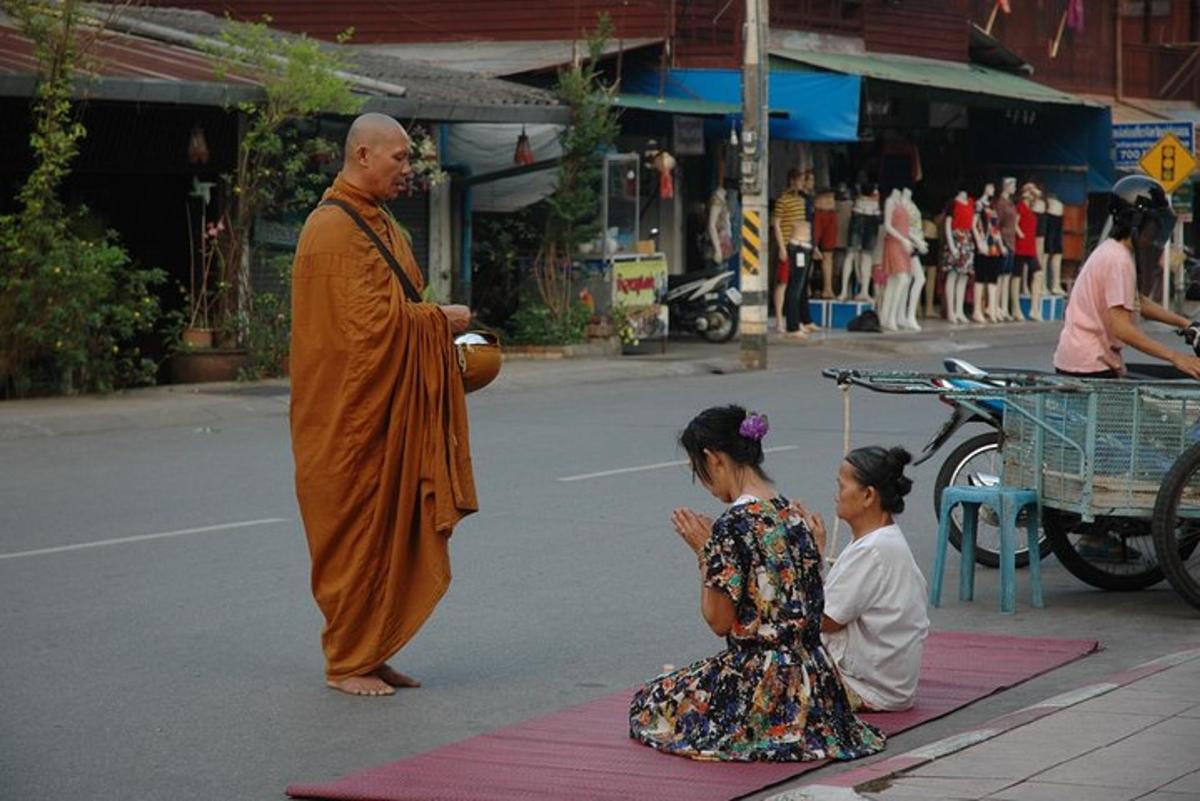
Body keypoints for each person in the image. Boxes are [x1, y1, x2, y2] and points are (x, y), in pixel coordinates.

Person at [290, 113, 478, 697]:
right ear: (363, 154)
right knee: (355, 534)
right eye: (398, 158)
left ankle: (372, 650)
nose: (407, 169)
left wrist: (425, 325)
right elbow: (363, 332)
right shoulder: (330, 231)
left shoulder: (377, 221)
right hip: (347, 422)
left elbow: (387, 308)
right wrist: (435, 321)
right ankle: (346, 660)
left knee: (390, 533)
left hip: (384, 409)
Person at [629, 405, 885, 762]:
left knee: (652, 701)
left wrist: (706, 555)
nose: (703, 481)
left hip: (760, 684)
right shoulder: (793, 514)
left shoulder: (733, 525)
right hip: (817, 682)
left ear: (713, 458)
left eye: (698, 470)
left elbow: (719, 622)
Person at [809, 447, 929, 712]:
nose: (836, 495)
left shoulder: (874, 550)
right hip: (887, 683)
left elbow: (823, 621)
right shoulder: (879, 542)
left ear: (868, 495)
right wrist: (816, 554)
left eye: (842, 486)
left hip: (869, 687)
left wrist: (808, 560)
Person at [1053, 174, 1200, 381]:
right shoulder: (1117, 260)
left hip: (1082, 360)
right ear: (1137, 222)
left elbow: (1136, 302)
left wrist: (1185, 323)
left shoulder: (1112, 251)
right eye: (1153, 223)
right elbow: (1122, 328)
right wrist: (1176, 357)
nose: (1156, 231)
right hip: (1090, 366)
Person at [773, 168, 818, 338]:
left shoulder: (800, 200)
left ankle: (797, 321)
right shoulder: (782, 200)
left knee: (798, 286)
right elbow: (776, 224)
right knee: (791, 285)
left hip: (803, 244)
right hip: (791, 245)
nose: (802, 183)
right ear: (792, 180)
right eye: (799, 180)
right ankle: (791, 324)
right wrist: (782, 247)